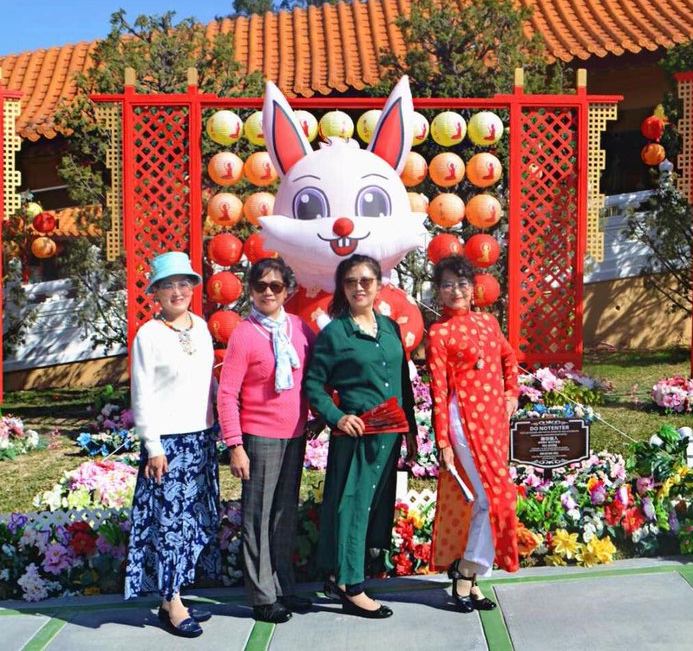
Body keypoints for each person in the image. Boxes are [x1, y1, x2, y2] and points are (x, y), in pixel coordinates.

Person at [303, 255, 418, 619]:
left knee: (373, 505)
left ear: (378, 284)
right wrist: (337, 417)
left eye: (366, 280)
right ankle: (352, 586)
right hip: (358, 435)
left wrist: (412, 429)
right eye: (351, 281)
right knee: (352, 504)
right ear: (342, 287)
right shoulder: (335, 333)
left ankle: (341, 571)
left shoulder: (389, 328)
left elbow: (403, 383)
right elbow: (313, 385)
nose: (359, 287)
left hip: (391, 434)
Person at [124, 251, 220, 639]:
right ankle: (171, 601)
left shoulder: (201, 327)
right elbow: (141, 394)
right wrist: (153, 445)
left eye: (184, 283)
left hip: (202, 438)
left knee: (194, 519)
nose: (177, 291)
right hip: (168, 444)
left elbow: (208, 383)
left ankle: (175, 593)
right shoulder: (148, 335)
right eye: (168, 285)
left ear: (194, 288)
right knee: (167, 524)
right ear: (157, 294)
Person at [216, 257, 316, 624]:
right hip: (259, 437)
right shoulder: (244, 333)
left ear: (287, 290)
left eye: (276, 286)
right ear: (251, 291)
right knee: (258, 517)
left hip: (294, 436)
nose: (269, 292)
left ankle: (283, 586)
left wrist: (325, 411)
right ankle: (261, 596)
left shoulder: (300, 329)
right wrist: (235, 445)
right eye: (261, 286)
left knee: (284, 514)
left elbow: (317, 375)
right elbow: (227, 394)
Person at [426, 254, 520, 613]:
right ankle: (466, 572)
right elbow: (437, 390)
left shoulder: (488, 323)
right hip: (463, 419)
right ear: (438, 290)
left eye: (462, 284)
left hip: (494, 420)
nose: (455, 291)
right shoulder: (438, 333)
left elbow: (510, 359)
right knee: (496, 499)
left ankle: (470, 578)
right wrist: (444, 442)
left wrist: (512, 393)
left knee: (486, 500)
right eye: (447, 285)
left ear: (474, 288)